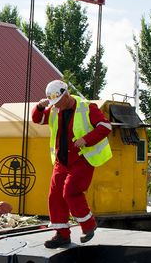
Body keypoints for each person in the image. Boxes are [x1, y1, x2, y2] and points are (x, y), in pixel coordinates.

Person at [32, 79, 113, 248]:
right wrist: (39, 107)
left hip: (82, 159)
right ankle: (62, 235)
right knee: (55, 197)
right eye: (53, 103)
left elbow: (106, 126)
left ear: (66, 95)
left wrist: (86, 139)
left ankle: (89, 225)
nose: (56, 106)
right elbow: (37, 120)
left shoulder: (86, 107)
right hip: (62, 161)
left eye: (58, 102)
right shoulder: (55, 109)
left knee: (70, 192)